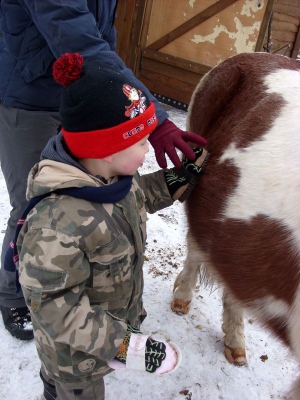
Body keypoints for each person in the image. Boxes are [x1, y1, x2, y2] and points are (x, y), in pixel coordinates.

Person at [0, 0, 207, 341]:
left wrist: (179, 178)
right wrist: (148, 117)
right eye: (138, 145)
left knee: (94, 193)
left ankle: (85, 280)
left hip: (83, 99)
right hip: (30, 98)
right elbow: (80, 39)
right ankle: (14, 293)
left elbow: (101, 40)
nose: (144, 153)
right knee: (32, 205)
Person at [13, 53, 208, 400]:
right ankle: (55, 388)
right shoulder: (55, 227)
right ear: (104, 149)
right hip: (74, 358)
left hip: (105, 331)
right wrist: (126, 347)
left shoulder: (113, 178)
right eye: (141, 141)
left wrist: (179, 178)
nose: (149, 148)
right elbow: (57, 310)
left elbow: (140, 195)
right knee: (75, 389)